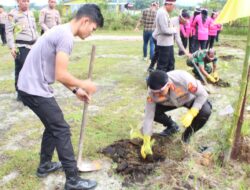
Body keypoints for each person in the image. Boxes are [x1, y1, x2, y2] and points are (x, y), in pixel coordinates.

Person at [18, 4, 104, 190]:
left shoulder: (60, 30)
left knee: (53, 126)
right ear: (85, 21)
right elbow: (61, 74)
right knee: (61, 129)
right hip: (33, 88)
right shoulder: (65, 37)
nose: (91, 33)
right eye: (93, 29)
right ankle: (72, 180)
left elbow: (56, 71)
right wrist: (84, 84)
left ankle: (45, 165)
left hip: (30, 86)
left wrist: (75, 90)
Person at [132, 70, 211, 159]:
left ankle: (186, 137)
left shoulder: (183, 80)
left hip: (189, 99)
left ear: (168, 85)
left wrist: (193, 112)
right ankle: (172, 126)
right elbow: (148, 116)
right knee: (153, 112)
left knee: (205, 111)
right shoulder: (152, 93)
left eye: (160, 92)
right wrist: (146, 139)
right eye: (155, 93)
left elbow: (203, 94)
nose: (157, 95)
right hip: (169, 103)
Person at [6, 0, 38, 101]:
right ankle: (20, 93)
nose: (26, 3)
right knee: (21, 70)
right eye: (23, 1)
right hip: (21, 46)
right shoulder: (12, 14)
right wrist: (12, 47)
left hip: (33, 46)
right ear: (18, 2)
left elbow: (34, 29)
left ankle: (30, 91)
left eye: (28, 1)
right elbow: (9, 31)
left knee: (32, 69)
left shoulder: (31, 13)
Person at [152, 0, 177, 72]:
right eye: (173, 6)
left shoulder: (164, 12)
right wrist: (174, 29)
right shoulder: (162, 13)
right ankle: (158, 82)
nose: (173, 8)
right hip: (164, 43)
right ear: (168, 4)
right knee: (162, 65)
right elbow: (164, 30)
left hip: (168, 43)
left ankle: (169, 80)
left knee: (170, 64)